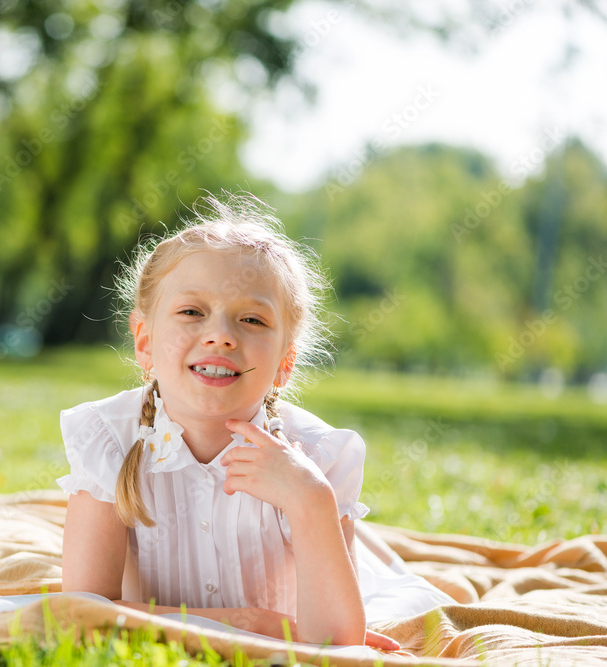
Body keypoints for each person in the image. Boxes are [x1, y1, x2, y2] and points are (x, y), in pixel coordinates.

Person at [57, 194, 453, 649]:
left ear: (285, 363)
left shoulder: (318, 457)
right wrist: (248, 622)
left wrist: (312, 502)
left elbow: (336, 642)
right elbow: (82, 613)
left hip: (347, 577)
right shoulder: (111, 440)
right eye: (192, 312)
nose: (221, 336)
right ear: (144, 342)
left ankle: (376, 553)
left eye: (251, 319)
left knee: (394, 584)